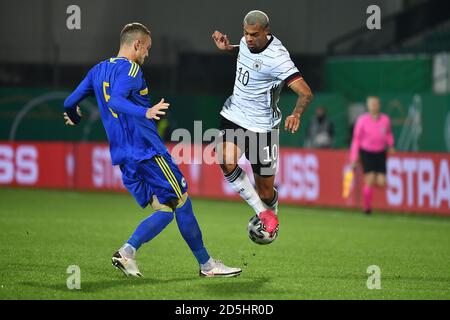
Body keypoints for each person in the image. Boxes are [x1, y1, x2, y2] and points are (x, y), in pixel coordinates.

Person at [63, 22, 241, 278]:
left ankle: (128, 251)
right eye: (147, 48)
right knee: (182, 199)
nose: (147, 54)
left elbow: (70, 103)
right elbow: (116, 100)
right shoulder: (132, 69)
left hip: (124, 156)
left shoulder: (98, 70)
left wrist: (75, 117)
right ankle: (207, 265)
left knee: (165, 210)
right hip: (147, 151)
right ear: (136, 44)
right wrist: (144, 111)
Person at [212, 10, 313, 235]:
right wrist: (229, 48)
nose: (248, 38)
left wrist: (296, 114)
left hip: (263, 128)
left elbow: (305, 93)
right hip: (235, 115)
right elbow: (248, 55)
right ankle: (263, 213)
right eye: (246, 33)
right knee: (225, 159)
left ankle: (270, 213)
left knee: (266, 193)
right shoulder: (245, 42)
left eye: (254, 34)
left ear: (266, 32)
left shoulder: (278, 58)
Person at [350, 96, 395, 214]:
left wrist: (391, 145)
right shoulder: (362, 120)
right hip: (367, 152)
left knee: (381, 182)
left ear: (379, 105)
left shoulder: (385, 119)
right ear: (368, 106)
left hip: (380, 152)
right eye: (371, 104)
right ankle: (367, 207)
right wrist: (354, 158)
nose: (374, 106)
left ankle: (370, 183)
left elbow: (388, 134)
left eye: (376, 103)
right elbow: (356, 140)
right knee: (369, 179)